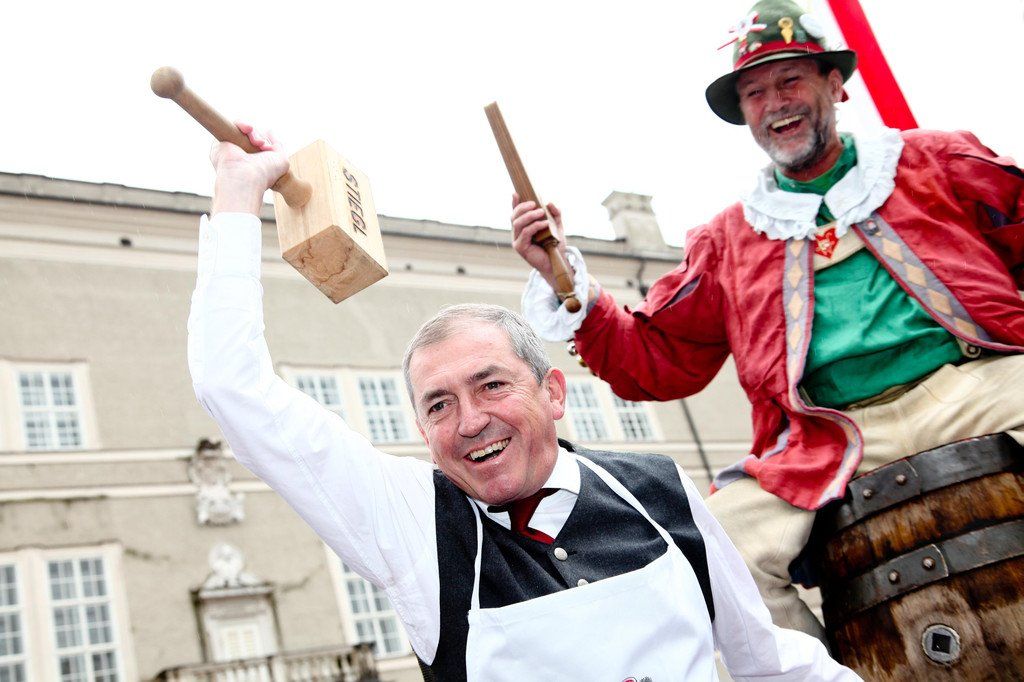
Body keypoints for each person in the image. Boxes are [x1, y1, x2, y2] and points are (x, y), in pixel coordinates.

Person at [187, 125, 859, 679]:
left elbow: (770, 663)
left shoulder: (660, 490)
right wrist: (238, 193)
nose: (470, 421)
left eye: (491, 385)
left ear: (554, 391)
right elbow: (231, 387)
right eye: (438, 405)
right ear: (421, 428)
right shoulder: (413, 525)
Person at [511, 0, 1024, 642]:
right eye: (755, 93)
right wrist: (567, 280)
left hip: (978, 388)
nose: (775, 103)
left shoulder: (936, 160)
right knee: (715, 549)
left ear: (834, 84)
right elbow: (658, 357)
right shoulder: (728, 238)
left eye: (789, 81)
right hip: (826, 435)